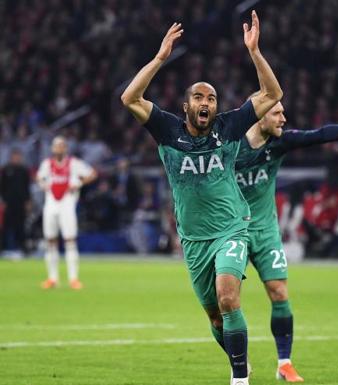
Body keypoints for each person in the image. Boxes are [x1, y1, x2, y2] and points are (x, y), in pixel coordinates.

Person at [120, 13, 282, 385]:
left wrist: (255, 53)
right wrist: (160, 58)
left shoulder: (228, 126)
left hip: (231, 229)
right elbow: (129, 97)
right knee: (214, 316)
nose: (206, 101)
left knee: (229, 299)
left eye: (211, 97)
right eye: (199, 96)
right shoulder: (166, 129)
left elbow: (273, 95)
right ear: (187, 106)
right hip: (193, 240)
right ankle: (239, 360)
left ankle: (239, 380)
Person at [234, 99, 338, 381]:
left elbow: (319, 134)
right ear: (259, 116)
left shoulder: (280, 142)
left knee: (279, 292)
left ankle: (284, 363)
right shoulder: (231, 146)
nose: (284, 117)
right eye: (277, 112)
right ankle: (237, 360)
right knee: (226, 302)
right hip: (233, 231)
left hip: (266, 231)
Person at [36, 136, 97, 289]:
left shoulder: (74, 163)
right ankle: (52, 278)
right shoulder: (47, 164)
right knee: (50, 241)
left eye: (62, 146)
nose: (59, 148)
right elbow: (38, 177)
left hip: (67, 205)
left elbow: (92, 173)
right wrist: (43, 184)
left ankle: (73, 278)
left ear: (66, 148)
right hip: (51, 205)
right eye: (57, 146)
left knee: (70, 241)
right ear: (52, 148)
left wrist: (79, 184)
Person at [0, 149, 31, 258]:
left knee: (20, 226)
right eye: (15, 156)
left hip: (20, 203)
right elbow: (2, 187)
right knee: (5, 226)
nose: (16, 158)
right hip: (8, 202)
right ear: (11, 157)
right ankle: (2, 248)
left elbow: (27, 188)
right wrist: (3, 201)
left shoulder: (24, 170)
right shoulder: (6, 169)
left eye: (18, 156)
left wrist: (28, 201)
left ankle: (22, 248)